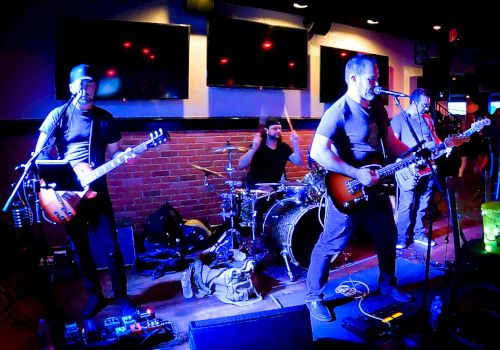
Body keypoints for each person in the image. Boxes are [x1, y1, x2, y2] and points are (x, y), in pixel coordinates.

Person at [305, 54, 412, 322]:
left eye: (377, 78)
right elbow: (318, 152)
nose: (376, 84)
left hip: (376, 188)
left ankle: (388, 284)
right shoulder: (338, 111)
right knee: (332, 243)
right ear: (354, 79)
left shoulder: (378, 109)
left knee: (387, 237)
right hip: (347, 189)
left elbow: (393, 143)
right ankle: (313, 297)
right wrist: (356, 173)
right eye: (371, 79)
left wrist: (415, 154)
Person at [34, 64, 136, 318]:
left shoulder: (105, 119)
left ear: (95, 89)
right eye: (80, 84)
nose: (85, 89)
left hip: (98, 191)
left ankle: (121, 296)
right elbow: (40, 156)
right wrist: (57, 183)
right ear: (71, 88)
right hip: (67, 194)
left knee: (112, 247)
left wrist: (128, 155)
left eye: (89, 84)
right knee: (80, 249)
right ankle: (95, 296)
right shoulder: (58, 115)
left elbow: (116, 152)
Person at [391, 88, 441, 249]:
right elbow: (393, 148)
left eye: (428, 105)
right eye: (424, 105)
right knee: (407, 203)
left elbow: (435, 139)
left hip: (428, 168)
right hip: (409, 170)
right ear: (413, 102)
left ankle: (419, 234)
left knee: (424, 202)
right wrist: (408, 162)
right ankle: (401, 237)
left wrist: (444, 147)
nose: (427, 108)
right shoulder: (399, 120)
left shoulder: (427, 119)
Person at [238, 117, 303, 188]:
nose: (278, 131)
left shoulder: (284, 147)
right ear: (266, 130)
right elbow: (241, 165)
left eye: (279, 128)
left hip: (278, 186)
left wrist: (295, 143)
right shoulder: (258, 146)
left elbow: (298, 162)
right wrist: (254, 147)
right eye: (275, 129)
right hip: (259, 187)